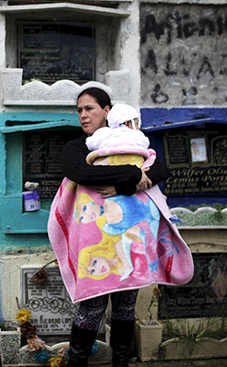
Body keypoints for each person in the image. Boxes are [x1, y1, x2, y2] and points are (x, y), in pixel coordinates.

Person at [61, 87, 169, 367]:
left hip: (128, 240)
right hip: (95, 242)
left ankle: (122, 362)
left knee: (125, 307)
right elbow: (82, 173)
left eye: (89, 109)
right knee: (92, 307)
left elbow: (160, 169)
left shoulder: (131, 143)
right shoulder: (78, 147)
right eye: (79, 111)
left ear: (107, 111)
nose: (83, 116)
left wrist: (123, 186)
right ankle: (77, 363)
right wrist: (134, 175)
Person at [85, 102, 149, 152]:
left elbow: (90, 144)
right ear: (128, 123)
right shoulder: (136, 135)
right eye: (137, 124)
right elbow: (145, 143)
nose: (139, 128)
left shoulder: (102, 133)